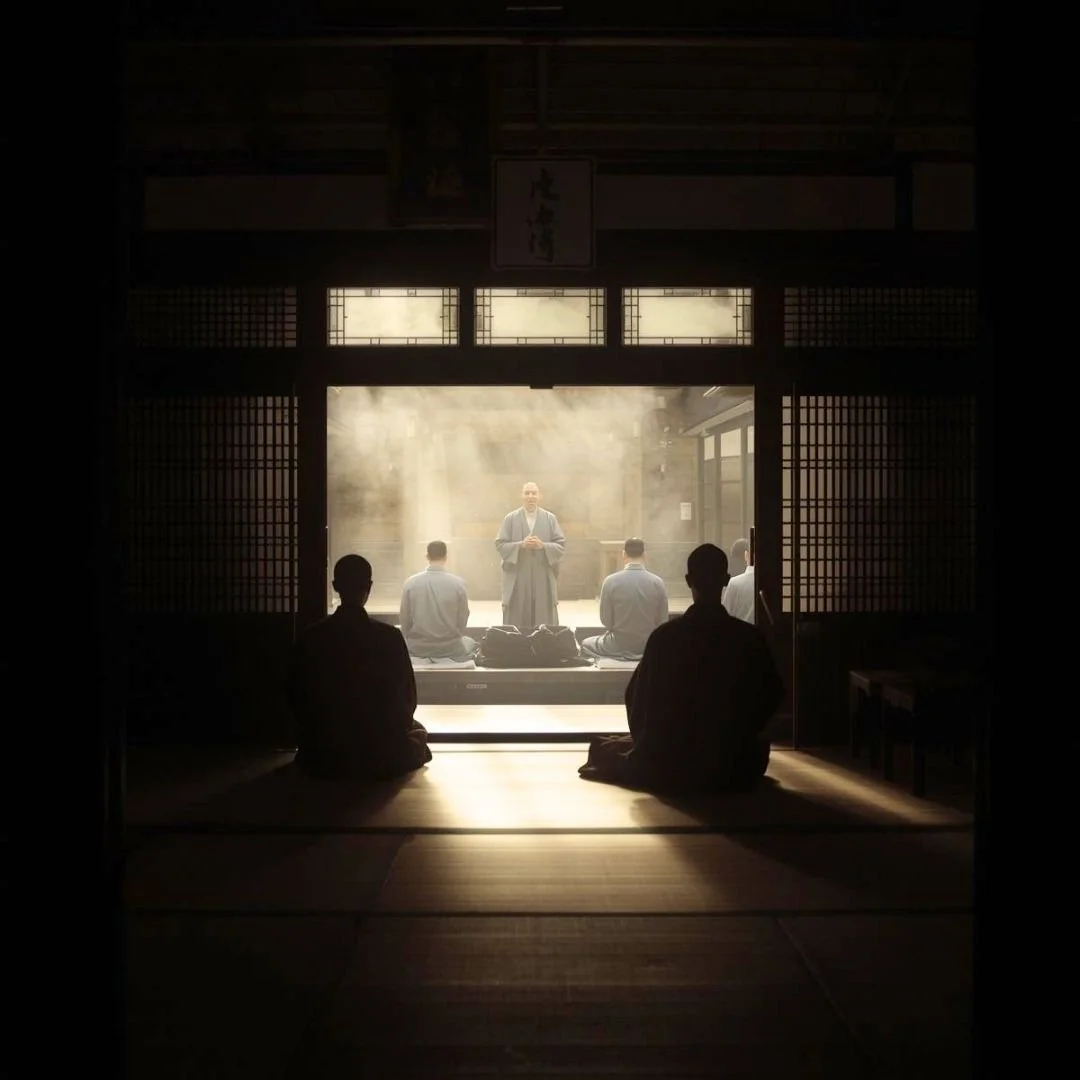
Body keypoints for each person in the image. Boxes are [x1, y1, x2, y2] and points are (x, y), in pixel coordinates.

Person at [578, 543, 783, 794]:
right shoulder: (748, 637)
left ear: (688, 581)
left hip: (673, 759)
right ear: (727, 580)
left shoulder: (664, 639)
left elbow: (636, 700)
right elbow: (773, 696)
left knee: (604, 748)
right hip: (736, 760)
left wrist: (651, 739)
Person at [288, 554, 431, 780]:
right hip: (379, 748)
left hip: (323, 748)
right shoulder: (389, 637)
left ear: (335, 586)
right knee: (418, 732)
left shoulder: (312, 636)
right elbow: (407, 698)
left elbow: (297, 696)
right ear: (369, 587)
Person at [580, 537, 669, 661]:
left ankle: (617, 657)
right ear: (645, 555)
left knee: (586, 643)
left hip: (617, 645)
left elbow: (606, 621)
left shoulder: (610, 581)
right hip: (649, 645)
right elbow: (663, 621)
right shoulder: (657, 582)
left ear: (624, 555)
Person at [494, 481, 566, 630]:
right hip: (518, 575)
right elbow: (500, 544)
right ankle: (516, 646)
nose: (530, 496)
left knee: (543, 616)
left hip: (542, 574)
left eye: (534, 493)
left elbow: (560, 545)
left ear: (540, 496)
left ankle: (545, 646)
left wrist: (543, 546)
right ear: (521, 495)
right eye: (527, 493)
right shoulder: (510, 518)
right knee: (518, 614)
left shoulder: (549, 518)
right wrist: (521, 545)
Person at [399, 540, 478, 661]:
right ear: (446, 557)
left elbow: (404, 618)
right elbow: (463, 617)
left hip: (417, 647)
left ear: (427, 556)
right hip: (450, 647)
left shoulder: (410, 583)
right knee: (470, 643)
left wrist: (412, 638)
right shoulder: (458, 584)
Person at [722, 538, 756, 624]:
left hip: (738, 635)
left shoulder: (734, 583)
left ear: (746, 555)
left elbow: (726, 615)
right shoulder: (774, 584)